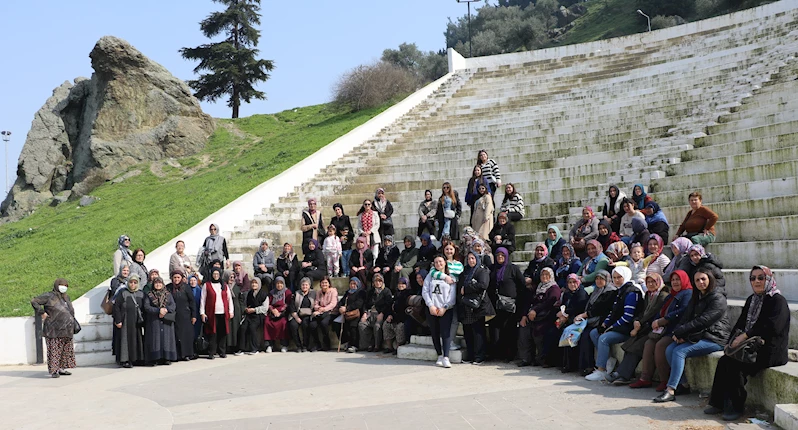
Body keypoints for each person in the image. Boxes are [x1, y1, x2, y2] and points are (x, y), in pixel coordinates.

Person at [706, 265, 790, 420]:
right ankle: (717, 402)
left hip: (770, 350)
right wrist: (730, 343)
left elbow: (772, 328)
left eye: (761, 277)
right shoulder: (752, 299)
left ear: (769, 279)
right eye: (753, 278)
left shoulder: (778, 301)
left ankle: (736, 407)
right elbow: (741, 322)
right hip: (751, 346)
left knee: (735, 364)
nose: (756, 281)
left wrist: (745, 336)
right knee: (725, 360)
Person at [654, 269, 730, 403]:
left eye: (703, 279)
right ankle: (683, 385)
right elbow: (685, 317)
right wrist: (678, 332)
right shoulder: (697, 296)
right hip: (700, 335)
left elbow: (704, 321)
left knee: (679, 351)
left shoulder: (718, 298)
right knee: (670, 349)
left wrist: (682, 333)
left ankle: (670, 390)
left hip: (715, 337)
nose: (701, 282)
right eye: (697, 280)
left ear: (710, 279)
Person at [628, 270, 693, 389]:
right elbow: (661, 311)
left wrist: (663, 320)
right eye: (673, 280)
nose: (675, 282)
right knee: (649, 343)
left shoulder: (688, 293)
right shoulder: (671, 295)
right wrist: (656, 321)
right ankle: (645, 378)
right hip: (663, 329)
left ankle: (665, 380)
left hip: (676, 329)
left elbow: (683, 311)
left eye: (678, 279)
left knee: (661, 345)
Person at [608, 273, 669, 385]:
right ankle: (624, 373)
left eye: (653, 282)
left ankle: (624, 375)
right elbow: (643, 311)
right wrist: (637, 320)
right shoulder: (648, 295)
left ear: (658, 282)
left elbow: (653, 312)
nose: (650, 284)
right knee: (630, 344)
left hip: (654, 328)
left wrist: (639, 323)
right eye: (648, 282)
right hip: (644, 326)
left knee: (637, 346)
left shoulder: (663, 295)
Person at [585, 266, 644, 381]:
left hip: (627, 328)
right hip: (619, 326)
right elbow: (613, 312)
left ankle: (601, 370)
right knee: (594, 333)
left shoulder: (632, 292)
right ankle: (608, 361)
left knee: (603, 338)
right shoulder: (620, 291)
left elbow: (628, 317)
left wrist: (612, 327)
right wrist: (605, 324)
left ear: (625, 277)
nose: (617, 280)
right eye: (614, 277)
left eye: (619, 277)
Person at [573, 270, 617, 375]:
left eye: (601, 279)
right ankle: (579, 366)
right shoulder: (597, 290)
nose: (599, 281)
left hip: (601, 321)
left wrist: (584, 316)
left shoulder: (610, 291)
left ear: (607, 279)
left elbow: (600, 309)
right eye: (597, 278)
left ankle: (590, 366)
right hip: (592, 320)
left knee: (587, 335)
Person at [31, 278, 77, 378]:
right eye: (61, 285)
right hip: (53, 329)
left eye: (65, 285)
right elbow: (34, 301)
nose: (63, 287)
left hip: (66, 329)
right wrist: (42, 313)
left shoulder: (66, 297)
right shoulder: (49, 296)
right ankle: (54, 370)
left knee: (66, 350)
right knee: (54, 350)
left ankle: (61, 368)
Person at [518, 267, 561, 367]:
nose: (544, 277)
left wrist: (535, 310)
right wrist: (524, 315)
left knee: (539, 331)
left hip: (546, 317)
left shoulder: (554, 288)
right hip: (533, 316)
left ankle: (542, 359)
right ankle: (526, 358)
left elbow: (549, 302)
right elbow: (528, 302)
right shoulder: (538, 288)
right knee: (524, 329)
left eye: (547, 275)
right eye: (542, 275)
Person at [488, 247, 525, 362]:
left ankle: (509, 355)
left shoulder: (513, 268)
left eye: (502, 255)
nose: (500, 257)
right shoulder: (492, 269)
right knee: (495, 330)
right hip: (496, 306)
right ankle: (497, 353)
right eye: (498, 255)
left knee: (509, 330)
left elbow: (521, 286)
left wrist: (519, 304)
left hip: (510, 306)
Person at [457, 251, 493, 364]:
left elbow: (483, 285)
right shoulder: (465, 272)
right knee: (467, 331)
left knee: (478, 332)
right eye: (469, 259)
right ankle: (471, 355)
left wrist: (467, 289)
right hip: (466, 306)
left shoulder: (482, 270)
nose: (471, 261)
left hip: (477, 306)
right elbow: (460, 287)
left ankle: (479, 356)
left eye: (473, 258)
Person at [423, 255, 457, 368]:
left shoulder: (450, 276)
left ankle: (446, 356)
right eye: (436, 262)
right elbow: (425, 291)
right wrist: (431, 305)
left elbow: (452, 294)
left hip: (445, 309)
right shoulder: (430, 276)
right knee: (434, 332)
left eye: (440, 261)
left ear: (445, 263)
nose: (438, 264)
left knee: (445, 333)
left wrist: (445, 307)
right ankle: (439, 355)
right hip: (432, 309)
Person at [555, 274, 589, 373]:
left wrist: (565, 314)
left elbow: (579, 308)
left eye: (574, 282)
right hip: (569, 318)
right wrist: (563, 315)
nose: (572, 284)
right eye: (570, 282)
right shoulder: (567, 293)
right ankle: (563, 362)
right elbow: (563, 306)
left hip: (578, 320)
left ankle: (571, 365)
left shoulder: (582, 293)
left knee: (569, 333)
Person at [200, 267, 235, 359]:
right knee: (212, 333)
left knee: (223, 333)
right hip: (212, 313)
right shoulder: (206, 285)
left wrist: (231, 311)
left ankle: (222, 351)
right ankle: (211, 352)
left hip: (223, 312)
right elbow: (203, 300)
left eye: (217, 274)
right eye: (214, 274)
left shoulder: (224, 285)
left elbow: (229, 299)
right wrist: (202, 313)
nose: (216, 276)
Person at [143, 277, 178, 365]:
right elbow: (147, 307)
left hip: (166, 320)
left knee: (166, 339)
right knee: (155, 340)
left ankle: (167, 358)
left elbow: (173, 306)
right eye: (156, 283)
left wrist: (165, 310)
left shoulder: (168, 294)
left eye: (160, 283)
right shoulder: (149, 295)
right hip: (154, 320)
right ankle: (155, 358)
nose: (158, 285)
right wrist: (158, 310)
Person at [112, 274, 145, 368]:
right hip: (125, 321)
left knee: (137, 340)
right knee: (125, 341)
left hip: (137, 322)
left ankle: (137, 359)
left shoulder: (141, 293)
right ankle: (125, 360)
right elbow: (116, 307)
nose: (133, 284)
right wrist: (118, 320)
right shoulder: (122, 293)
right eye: (131, 282)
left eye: (135, 283)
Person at [166, 271, 196, 361]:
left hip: (185, 315)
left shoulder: (186, 287)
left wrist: (194, 315)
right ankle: (177, 355)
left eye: (178, 277)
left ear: (181, 278)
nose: (176, 279)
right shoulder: (169, 288)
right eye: (175, 277)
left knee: (186, 336)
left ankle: (187, 354)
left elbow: (192, 301)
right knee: (175, 335)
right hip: (173, 315)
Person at [359, 273, 393, 352]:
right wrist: (364, 313)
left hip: (380, 313)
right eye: (376, 281)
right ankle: (369, 344)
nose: (378, 283)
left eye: (380, 281)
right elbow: (365, 304)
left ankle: (377, 345)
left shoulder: (386, 291)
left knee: (377, 326)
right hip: (370, 313)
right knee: (362, 324)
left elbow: (389, 304)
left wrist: (382, 313)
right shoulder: (371, 291)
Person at [336, 278, 366, 353]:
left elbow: (359, 303)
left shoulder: (361, 292)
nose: (352, 286)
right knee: (336, 324)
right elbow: (341, 302)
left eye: (354, 284)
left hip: (356, 313)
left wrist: (347, 308)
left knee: (353, 326)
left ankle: (354, 345)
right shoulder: (347, 293)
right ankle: (346, 342)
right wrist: (340, 308)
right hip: (346, 313)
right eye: (351, 284)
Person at [263, 276, 292, 353]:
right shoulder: (272, 293)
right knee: (267, 322)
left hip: (282, 313)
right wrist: (272, 310)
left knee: (283, 323)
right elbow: (268, 304)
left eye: (281, 283)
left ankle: (284, 345)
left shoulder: (287, 292)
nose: (279, 285)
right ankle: (269, 345)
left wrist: (280, 311)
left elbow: (288, 304)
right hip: (273, 312)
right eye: (277, 283)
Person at [384, 277, 413, 354]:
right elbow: (390, 306)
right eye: (399, 283)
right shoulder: (396, 294)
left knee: (400, 327)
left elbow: (405, 308)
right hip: (395, 316)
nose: (401, 285)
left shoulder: (409, 294)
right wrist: (390, 315)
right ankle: (389, 347)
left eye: (403, 283)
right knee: (386, 325)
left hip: (404, 317)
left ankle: (398, 347)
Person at [240, 278, 268, 354]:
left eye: (256, 283)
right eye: (252, 283)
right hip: (250, 314)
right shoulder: (249, 293)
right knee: (243, 327)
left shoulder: (263, 294)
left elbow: (265, 308)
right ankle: (242, 348)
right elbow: (247, 304)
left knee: (252, 327)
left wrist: (254, 310)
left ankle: (255, 348)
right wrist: (247, 309)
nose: (254, 284)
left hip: (259, 315)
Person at [289, 277, 317, 352]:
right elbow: (292, 307)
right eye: (303, 285)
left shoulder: (313, 293)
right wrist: (296, 317)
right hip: (297, 314)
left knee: (306, 324)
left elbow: (316, 304)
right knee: (293, 325)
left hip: (308, 314)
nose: (304, 286)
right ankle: (298, 346)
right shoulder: (296, 293)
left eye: (306, 285)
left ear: (309, 285)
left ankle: (305, 345)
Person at [311, 276, 338, 351]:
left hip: (331, 312)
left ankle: (327, 344)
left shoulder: (333, 291)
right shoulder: (319, 292)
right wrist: (319, 308)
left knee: (324, 323)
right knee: (313, 324)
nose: (324, 284)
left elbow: (333, 304)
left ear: (329, 284)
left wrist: (323, 309)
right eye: (322, 283)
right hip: (321, 312)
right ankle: (317, 344)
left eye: (326, 282)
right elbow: (315, 303)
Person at [223, 270, 243, 355]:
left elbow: (241, 299)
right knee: (228, 328)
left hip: (236, 309)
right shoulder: (223, 287)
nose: (231, 279)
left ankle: (236, 347)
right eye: (230, 277)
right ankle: (228, 347)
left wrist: (242, 310)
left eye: (233, 277)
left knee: (235, 328)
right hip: (226, 309)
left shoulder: (237, 287)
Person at [188, 275, 203, 346]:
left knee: (197, 331)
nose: (192, 282)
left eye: (194, 280)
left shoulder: (200, 290)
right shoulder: (187, 290)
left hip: (198, 313)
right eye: (191, 280)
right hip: (189, 313)